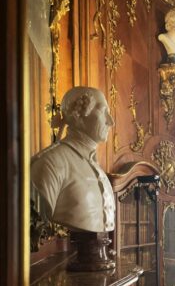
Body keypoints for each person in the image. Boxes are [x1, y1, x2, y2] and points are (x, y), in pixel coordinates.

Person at [31, 86, 116, 233]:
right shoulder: (51, 163)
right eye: (103, 112)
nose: (111, 121)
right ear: (79, 116)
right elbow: (37, 232)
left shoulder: (95, 166)